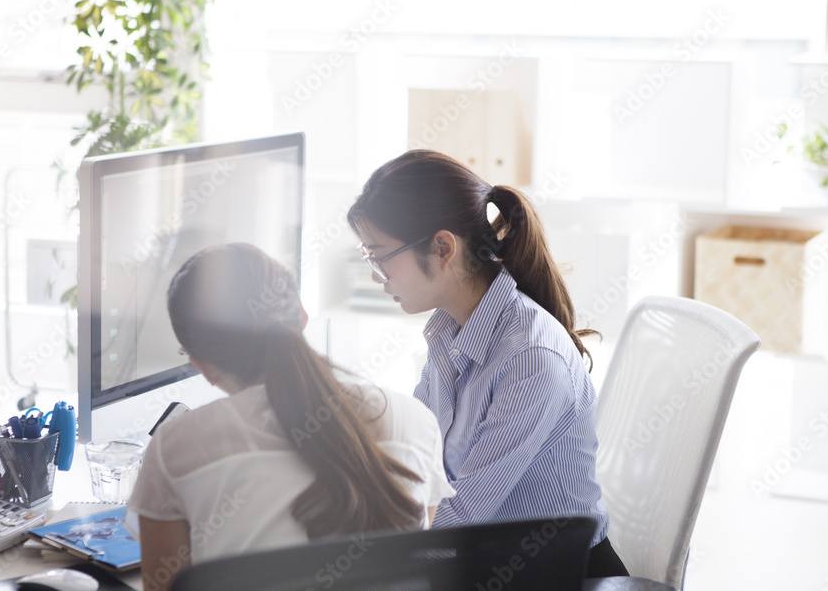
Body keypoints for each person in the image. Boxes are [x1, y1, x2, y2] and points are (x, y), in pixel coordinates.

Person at [347, 150, 628, 578]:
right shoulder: (448, 330)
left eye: (380, 255)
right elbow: (420, 448)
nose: (375, 274)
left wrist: (354, 537)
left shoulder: (531, 361)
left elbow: (460, 517)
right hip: (488, 559)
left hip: (554, 574)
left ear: (443, 248)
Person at [125, 243, 454, 591]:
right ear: (301, 315)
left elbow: (162, 585)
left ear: (201, 365)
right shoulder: (416, 420)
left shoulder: (175, 446)